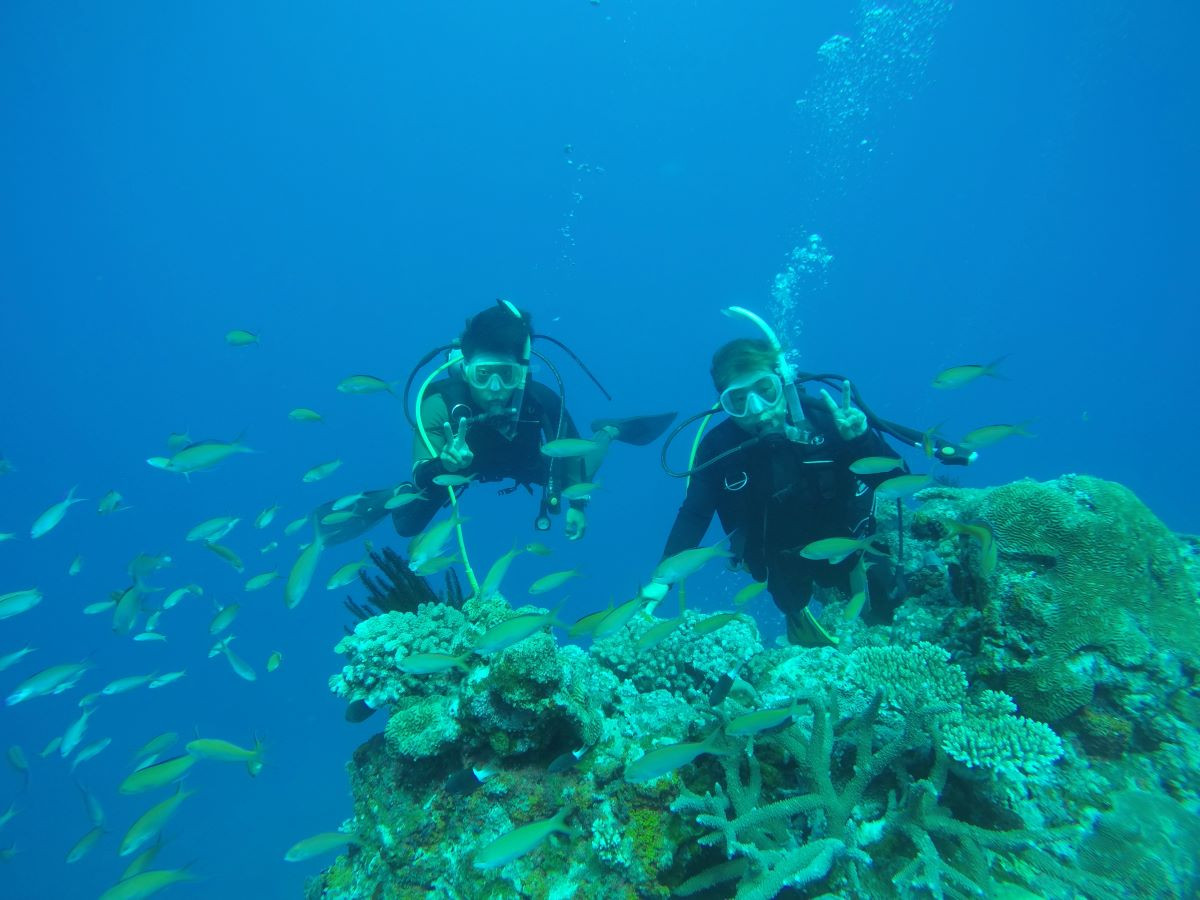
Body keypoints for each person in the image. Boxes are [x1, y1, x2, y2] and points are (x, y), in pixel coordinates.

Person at [644, 308, 971, 646]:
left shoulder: (828, 419)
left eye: (765, 390)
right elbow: (695, 513)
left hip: (846, 541)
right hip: (777, 558)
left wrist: (861, 440)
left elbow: (897, 483)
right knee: (790, 601)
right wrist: (663, 577)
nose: (757, 409)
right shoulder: (718, 448)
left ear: (783, 382)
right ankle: (800, 619)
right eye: (738, 401)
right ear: (723, 404)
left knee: (888, 600)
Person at [390, 300, 676, 541]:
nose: (494, 388)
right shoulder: (439, 403)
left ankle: (610, 430)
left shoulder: (541, 400)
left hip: (524, 461)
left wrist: (578, 504)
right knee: (407, 526)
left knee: (581, 470)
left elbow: (574, 455)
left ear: (522, 373)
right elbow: (421, 471)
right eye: (483, 374)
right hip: (458, 469)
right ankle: (396, 496)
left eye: (507, 374)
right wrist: (446, 465)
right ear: (465, 370)